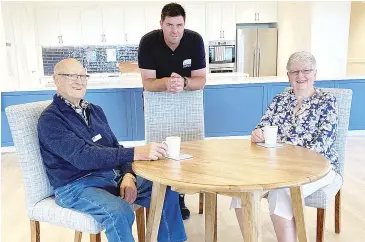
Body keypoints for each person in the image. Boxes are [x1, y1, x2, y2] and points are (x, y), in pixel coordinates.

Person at [37, 58, 187, 242]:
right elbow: (83, 157)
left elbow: (115, 148)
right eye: (71, 76)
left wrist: (129, 175)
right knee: (119, 211)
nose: (79, 80)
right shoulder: (50, 120)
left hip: (109, 176)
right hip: (74, 186)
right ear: (56, 79)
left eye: (83, 75)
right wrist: (137, 152)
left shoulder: (94, 110)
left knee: (165, 191)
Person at [230, 51, 339, 242]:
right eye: (295, 71)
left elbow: (323, 145)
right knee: (242, 191)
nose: (300, 76)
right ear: (288, 75)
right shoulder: (280, 100)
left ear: (315, 73)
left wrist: (289, 164)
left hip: (317, 168)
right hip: (276, 167)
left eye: (306, 70)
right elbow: (261, 127)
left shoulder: (327, 102)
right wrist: (257, 134)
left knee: (281, 192)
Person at [138, 2, 206, 219]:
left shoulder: (195, 40)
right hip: (158, 101)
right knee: (160, 151)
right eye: (169, 25)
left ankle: (180, 198)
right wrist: (167, 82)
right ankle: (161, 196)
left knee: (189, 152)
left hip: (188, 102)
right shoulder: (148, 42)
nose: (174, 30)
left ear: (184, 25)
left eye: (179, 25)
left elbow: (201, 80)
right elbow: (148, 83)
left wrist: (183, 82)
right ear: (161, 24)